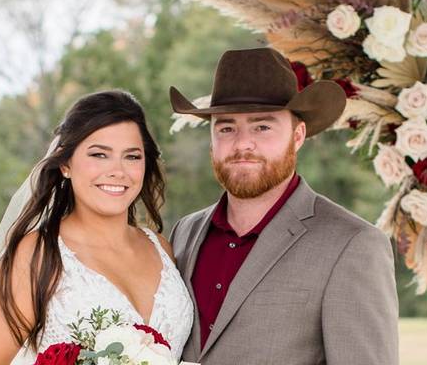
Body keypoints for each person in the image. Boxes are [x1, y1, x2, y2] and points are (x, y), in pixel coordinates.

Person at [169, 48, 399, 365]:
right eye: (226, 128)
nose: (242, 144)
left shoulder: (353, 245)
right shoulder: (185, 232)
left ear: (298, 135)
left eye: (262, 127)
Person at [0, 90, 193, 365]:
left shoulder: (161, 247)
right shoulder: (37, 256)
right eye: (99, 154)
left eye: (132, 156)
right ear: (66, 164)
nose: (118, 171)